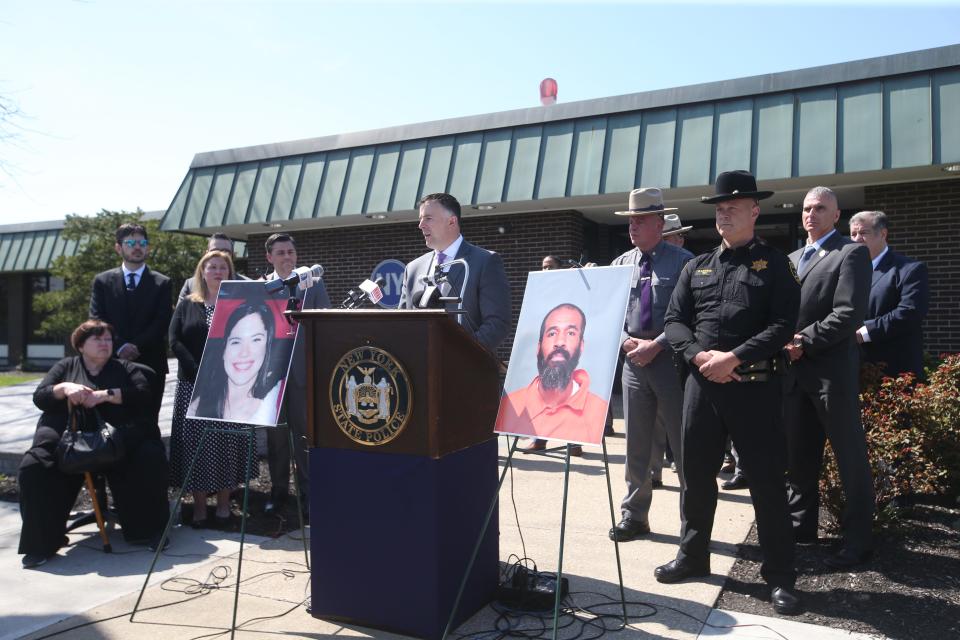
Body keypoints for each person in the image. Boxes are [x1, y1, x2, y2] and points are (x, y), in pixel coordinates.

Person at [658, 170, 801, 616]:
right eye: (719, 209)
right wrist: (702, 358)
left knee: (766, 483)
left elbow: (783, 324)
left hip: (754, 388)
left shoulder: (775, 264)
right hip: (702, 388)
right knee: (696, 477)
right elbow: (675, 321)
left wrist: (733, 357)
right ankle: (693, 554)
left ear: (754, 211)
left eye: (733, 208)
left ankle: (779, 576)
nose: (724, 215)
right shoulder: (696, 265)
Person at [18, 320, 170, 568]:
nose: (105, 344)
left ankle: (148, 531)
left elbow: (143, 394)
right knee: (34, 465)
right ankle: (42, 543)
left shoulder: (126, 368)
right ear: (80, 345)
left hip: (119, 440)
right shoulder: (65, 367)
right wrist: (64, 388)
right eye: (97, 339)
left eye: (108, 339)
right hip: (71, 442)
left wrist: (104, 395)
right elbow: (41, 396)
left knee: (148, 456)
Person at [784, 187, 874, 570]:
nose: (811, 214)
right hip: (792, 375)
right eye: (806, 208)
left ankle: (858, 543)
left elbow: (849, 313)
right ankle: (801, 528)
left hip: (830, 376)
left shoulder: (850, 253)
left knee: (849, 457)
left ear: (835, 214)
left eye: (820, 208)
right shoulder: (790, 259)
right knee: (798, 458)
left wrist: (804, 339)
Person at [608, 188, 693, 543]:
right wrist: (626, 341)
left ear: (660, 222)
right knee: (636, 445)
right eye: (630, 220)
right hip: (633, 364)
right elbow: (607, 313)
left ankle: (693, 522)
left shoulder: (686, 262)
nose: (634, 226)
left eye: (641, 220)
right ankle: (634, 515)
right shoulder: (619, 264)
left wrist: (656, 344)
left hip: (670, 363)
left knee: (684, 444)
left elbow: (694, 316)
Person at [170, 251, 255, 528]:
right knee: (196, 446)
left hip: (229, 386)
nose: (218, 271)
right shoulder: (187, 304)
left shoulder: (239, 306)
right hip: (192, 385)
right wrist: (199, 371)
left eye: (223, 267)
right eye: (212, 267)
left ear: (229, 273)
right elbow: (175, 340)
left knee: (225, 445)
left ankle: (222, 505)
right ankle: (198, 508)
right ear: (202, 272)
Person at [260, 232, 331, 516]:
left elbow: (324, 322)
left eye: (290, 252)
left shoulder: (313, 283)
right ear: (269, 257)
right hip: (272, 377)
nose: (287, 257)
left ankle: (309, 494)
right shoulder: (261, 288)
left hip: (303, 374)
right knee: (276, 440)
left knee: (305, 436)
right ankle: (278, 493)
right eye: (280, 253)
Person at [398, 193, 511, 352]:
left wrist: (462, 354)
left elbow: (498, 323)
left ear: (452, 221)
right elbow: (401, 324)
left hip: (467, 370)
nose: (421, 225)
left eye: (428, 218)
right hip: (420, 370)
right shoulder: (413, 269)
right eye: (420, 219)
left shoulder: (485, 261)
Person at [90, 223, 172, 431]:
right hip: (112, 362)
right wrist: (120, 346)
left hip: (151, 363)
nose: (137, 247)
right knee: (112, 425)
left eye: (142, 243)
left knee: (147, 423)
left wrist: (134, 346)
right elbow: (97, 318)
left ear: (148, 247)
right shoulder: (102, 281)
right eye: (131, 243)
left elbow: (162, 322)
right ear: (119, 248)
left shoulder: (162, 283)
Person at [496, 303, 609, 444]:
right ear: (538, 347)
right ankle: (539, 441)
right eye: (552, 333)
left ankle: (573, 443)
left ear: (581, 346)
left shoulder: (597, 408)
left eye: (571, 333)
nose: (560, 342)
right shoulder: (511, 404)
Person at [849, 210, 929, 379]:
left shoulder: (909, 269)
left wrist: (863, 332)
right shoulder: (847, 273)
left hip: (893, 375)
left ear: (883, 234)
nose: (856, 239)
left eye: (863, 233)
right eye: (853, 234)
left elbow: (909, 312)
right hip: (852, 372)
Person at [521, 256, 582, 457]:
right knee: (544, 394)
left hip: (566, 352)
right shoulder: (540, 290)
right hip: (546, 352)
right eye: (543, 267)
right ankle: (539, 440)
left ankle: (573, 442)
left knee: (569, 394)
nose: (546, 270)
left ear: (560, 268)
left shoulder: (571, 288)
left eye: (550, 267)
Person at [650, 213, 693, 484]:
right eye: (663, 237)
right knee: (649, 425)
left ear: (680, 237)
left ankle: (686, 478)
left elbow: (688, 314)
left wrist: (659, 343)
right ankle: (653, 473)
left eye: (670, 237)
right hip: (642, 355)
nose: (666, 242)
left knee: (679, 424)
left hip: (675, 355)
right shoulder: (644, 263)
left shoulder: (688, 262)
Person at [188, 302, 283, 423]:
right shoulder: (197, 407)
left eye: (256, 340)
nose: (244, 353)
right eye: (236, 342)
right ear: (224, 350)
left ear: (268, 348)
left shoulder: (272, 403)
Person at [178, 232, 249, 302]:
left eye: (226, 252)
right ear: (206, 254)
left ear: (232, 256)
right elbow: (180, 312)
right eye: (215, 251)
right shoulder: (191, 285)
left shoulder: (247, 285)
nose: (220, 255)